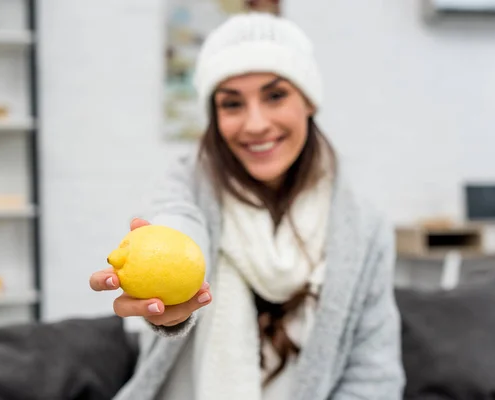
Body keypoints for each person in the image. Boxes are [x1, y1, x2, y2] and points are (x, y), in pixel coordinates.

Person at [89, 11, 405, 400]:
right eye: (232, 104)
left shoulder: (363, 228)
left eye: (275, 96)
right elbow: (178, 224)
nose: (255, 124)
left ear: (308, 101)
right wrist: (175, 298)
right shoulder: (187, 184)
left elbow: (374, 376)